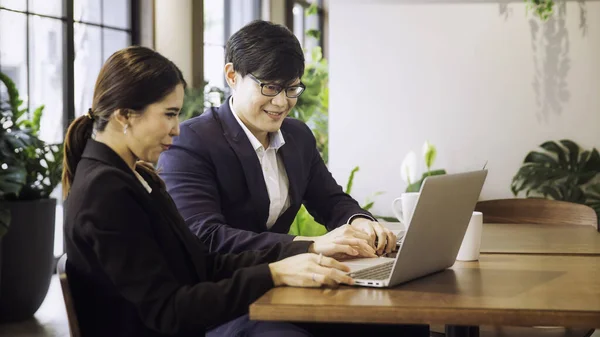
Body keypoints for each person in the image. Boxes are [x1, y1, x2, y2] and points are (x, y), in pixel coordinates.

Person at [61, 45, 379, 337]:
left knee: (383, 328)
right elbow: (169, 311)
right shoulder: (106, 193)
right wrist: (273, 275)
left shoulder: (132, 176)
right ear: (124, 115)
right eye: (170, 114)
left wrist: (293, 259)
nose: (176, 128)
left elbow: (202, 264)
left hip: (195, 319)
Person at [157, 20, 397, 258]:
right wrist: (310, 245)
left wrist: (360, 222)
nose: (282, 102)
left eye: (291, 88)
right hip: (221, 286)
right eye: (270, 87)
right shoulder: (192, 141)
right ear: (232, 76)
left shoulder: (297, 136)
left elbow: (330, 201)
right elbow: (206, 236)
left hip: (283, 279)